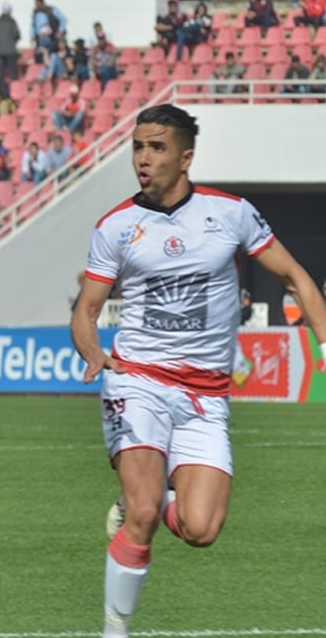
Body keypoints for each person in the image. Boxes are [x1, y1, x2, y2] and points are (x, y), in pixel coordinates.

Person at [70, 104, 326, 638]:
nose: (143, 158)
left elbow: (296, 277)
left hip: (206, 395)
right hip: (137, 378)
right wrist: (92, 350)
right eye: (138, 146)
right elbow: (86, 310)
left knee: (200, 528)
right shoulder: (116, 225)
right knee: (141, 516)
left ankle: (153, 500)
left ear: (185, 156)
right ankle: (114, 632)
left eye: (156, 147)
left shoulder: (230, 213)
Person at [0, 1, 21, 81]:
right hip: (10, 50)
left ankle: (2, 89)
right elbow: (17, 35)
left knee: (0, 73)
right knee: (13, 73)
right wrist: (12, 43)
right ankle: (14, 89)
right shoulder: (12, 22)